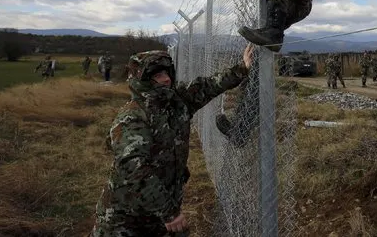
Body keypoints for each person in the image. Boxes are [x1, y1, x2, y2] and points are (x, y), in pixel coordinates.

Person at [90, 45, 254, 237]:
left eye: (167, 73)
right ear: (142, 79)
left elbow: (207, 86)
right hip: (126, 216)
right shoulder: (133, 117)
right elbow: (134, 170)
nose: (166, 79)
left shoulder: (177, 102)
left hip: (160, 209)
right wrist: (170, 213)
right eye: (158, 75)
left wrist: (242, 68)